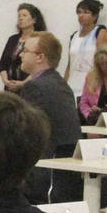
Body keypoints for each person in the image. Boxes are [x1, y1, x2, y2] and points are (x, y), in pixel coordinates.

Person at [18, 31, 80, 200]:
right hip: (65, 173)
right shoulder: (61, 85)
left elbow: (25, 134)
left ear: (40, 57)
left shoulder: (34, 87)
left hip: (42, 173)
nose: (20, 54)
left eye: (25, 51)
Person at [65, 0, 107, 91]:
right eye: (79, 12)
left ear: (95, 16)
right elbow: (69, 65)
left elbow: (104, 63)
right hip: (72, 84)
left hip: (91, 85)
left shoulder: (100, 32)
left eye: (86, 12)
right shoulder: (74, 36)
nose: (81, 15)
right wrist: (63, 85)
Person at [0, 3, 46, 91]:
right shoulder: (12, 39)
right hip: (9, 88)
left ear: (34, 20)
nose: (20, 18)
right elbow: (2, 64)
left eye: (24, 15)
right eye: (19, 16)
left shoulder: (39, 40)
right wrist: (6, 81)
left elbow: (41, 67)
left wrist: (23, 83)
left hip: (30, 88)